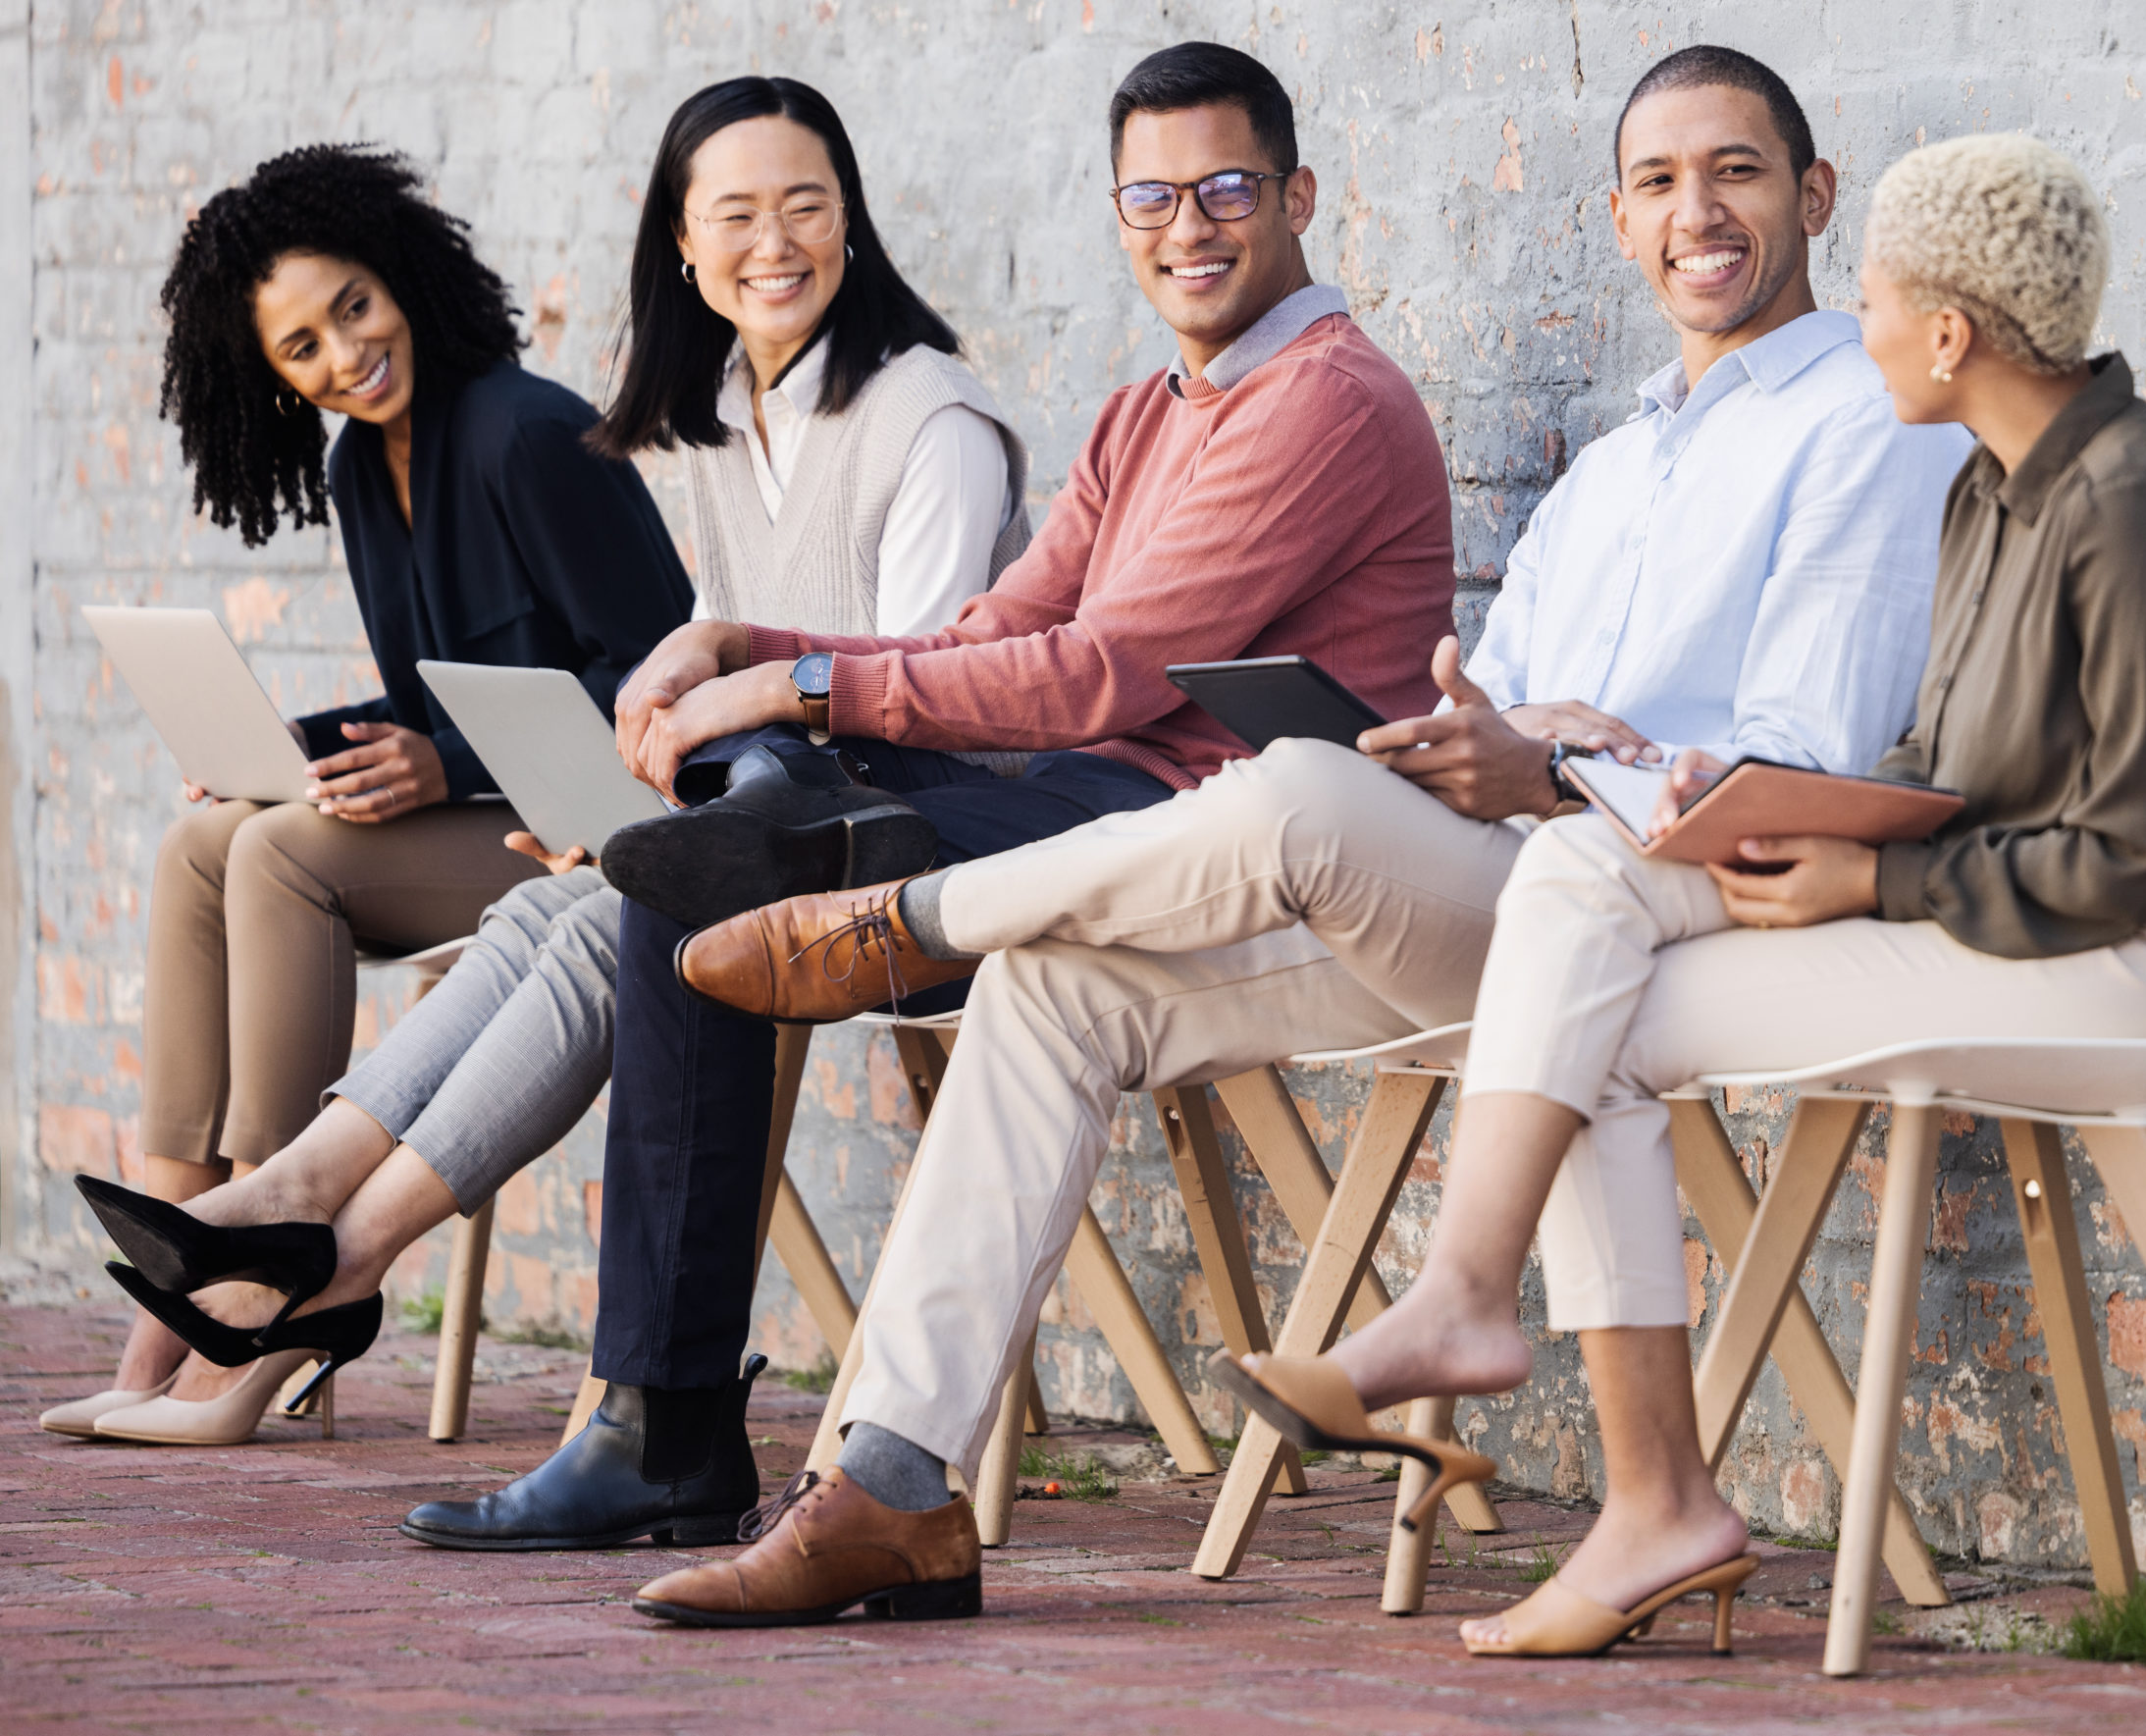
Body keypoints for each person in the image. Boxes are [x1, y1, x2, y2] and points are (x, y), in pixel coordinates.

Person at [627, 47, 1973, 1630]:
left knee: (1290, 789)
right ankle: (894, 1487)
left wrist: (1543, 765)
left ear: (1813, 196)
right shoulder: (1614, 465)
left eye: (1737, 172)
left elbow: (1797, 757)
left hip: (1669, 899)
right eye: (1662, 183)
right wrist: (1483, 743)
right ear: (1618, 220)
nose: (1699, 211)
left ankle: (919, 916)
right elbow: (1501, 699)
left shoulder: (1865, 422)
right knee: (1061, 981)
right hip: (1504, 894)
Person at [1228, 132, 2146, 1659]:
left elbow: (2135, 858)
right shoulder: (1991, 494)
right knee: (1588, 897)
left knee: (1584, 1009)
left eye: (1869, 298)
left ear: (1949, 333)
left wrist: (1876, 870)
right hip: (2004, 894)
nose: (1849, 328)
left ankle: (1529, 1366)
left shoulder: (2138, 514)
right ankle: (1607, 1451)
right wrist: (1751, 795)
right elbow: (1945, 759)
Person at [393, 40, 1458, 1554]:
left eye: (1226, 188)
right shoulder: (1146, 414)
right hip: (1078, 804)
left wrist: (798, 695)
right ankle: (659, 1424)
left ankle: (662, 1417)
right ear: (1117, 212)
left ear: (1294, 195)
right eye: (1150, 195)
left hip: (1214, 854)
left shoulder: (1323, 403)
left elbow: (1096, 675)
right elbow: (987, 639)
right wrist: (748, 643)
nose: (1190, 225)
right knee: (695, 862)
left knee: (729, 841)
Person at [62, 80, 1030, 1448]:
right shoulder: (727, 419)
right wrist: (314, 745)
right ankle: (253, 1234)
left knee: (372, 875)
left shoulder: (904, 421)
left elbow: (901, 699)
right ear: (685, 252)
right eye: (734, 218)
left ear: (853, 221)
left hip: (884, 843)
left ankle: (293, 1271)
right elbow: (625, 688)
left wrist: (618, 769)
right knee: (252, 851)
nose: (342, 351)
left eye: (803, 207)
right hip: (731, 818)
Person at [45, 144, 693, 1443]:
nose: (345, 354)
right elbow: (432, 694)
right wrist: (301, 741)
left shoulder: (528, 432)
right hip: (492, 814)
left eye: (353, 306)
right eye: (303, 348)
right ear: (274, 381)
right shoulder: (356, 473)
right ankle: (173, 1266)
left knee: (285, 856)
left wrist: (439, 764)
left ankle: (256, 1287)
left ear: (395, 273)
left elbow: (661, 675)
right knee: (203, 839)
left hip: (600, 824)